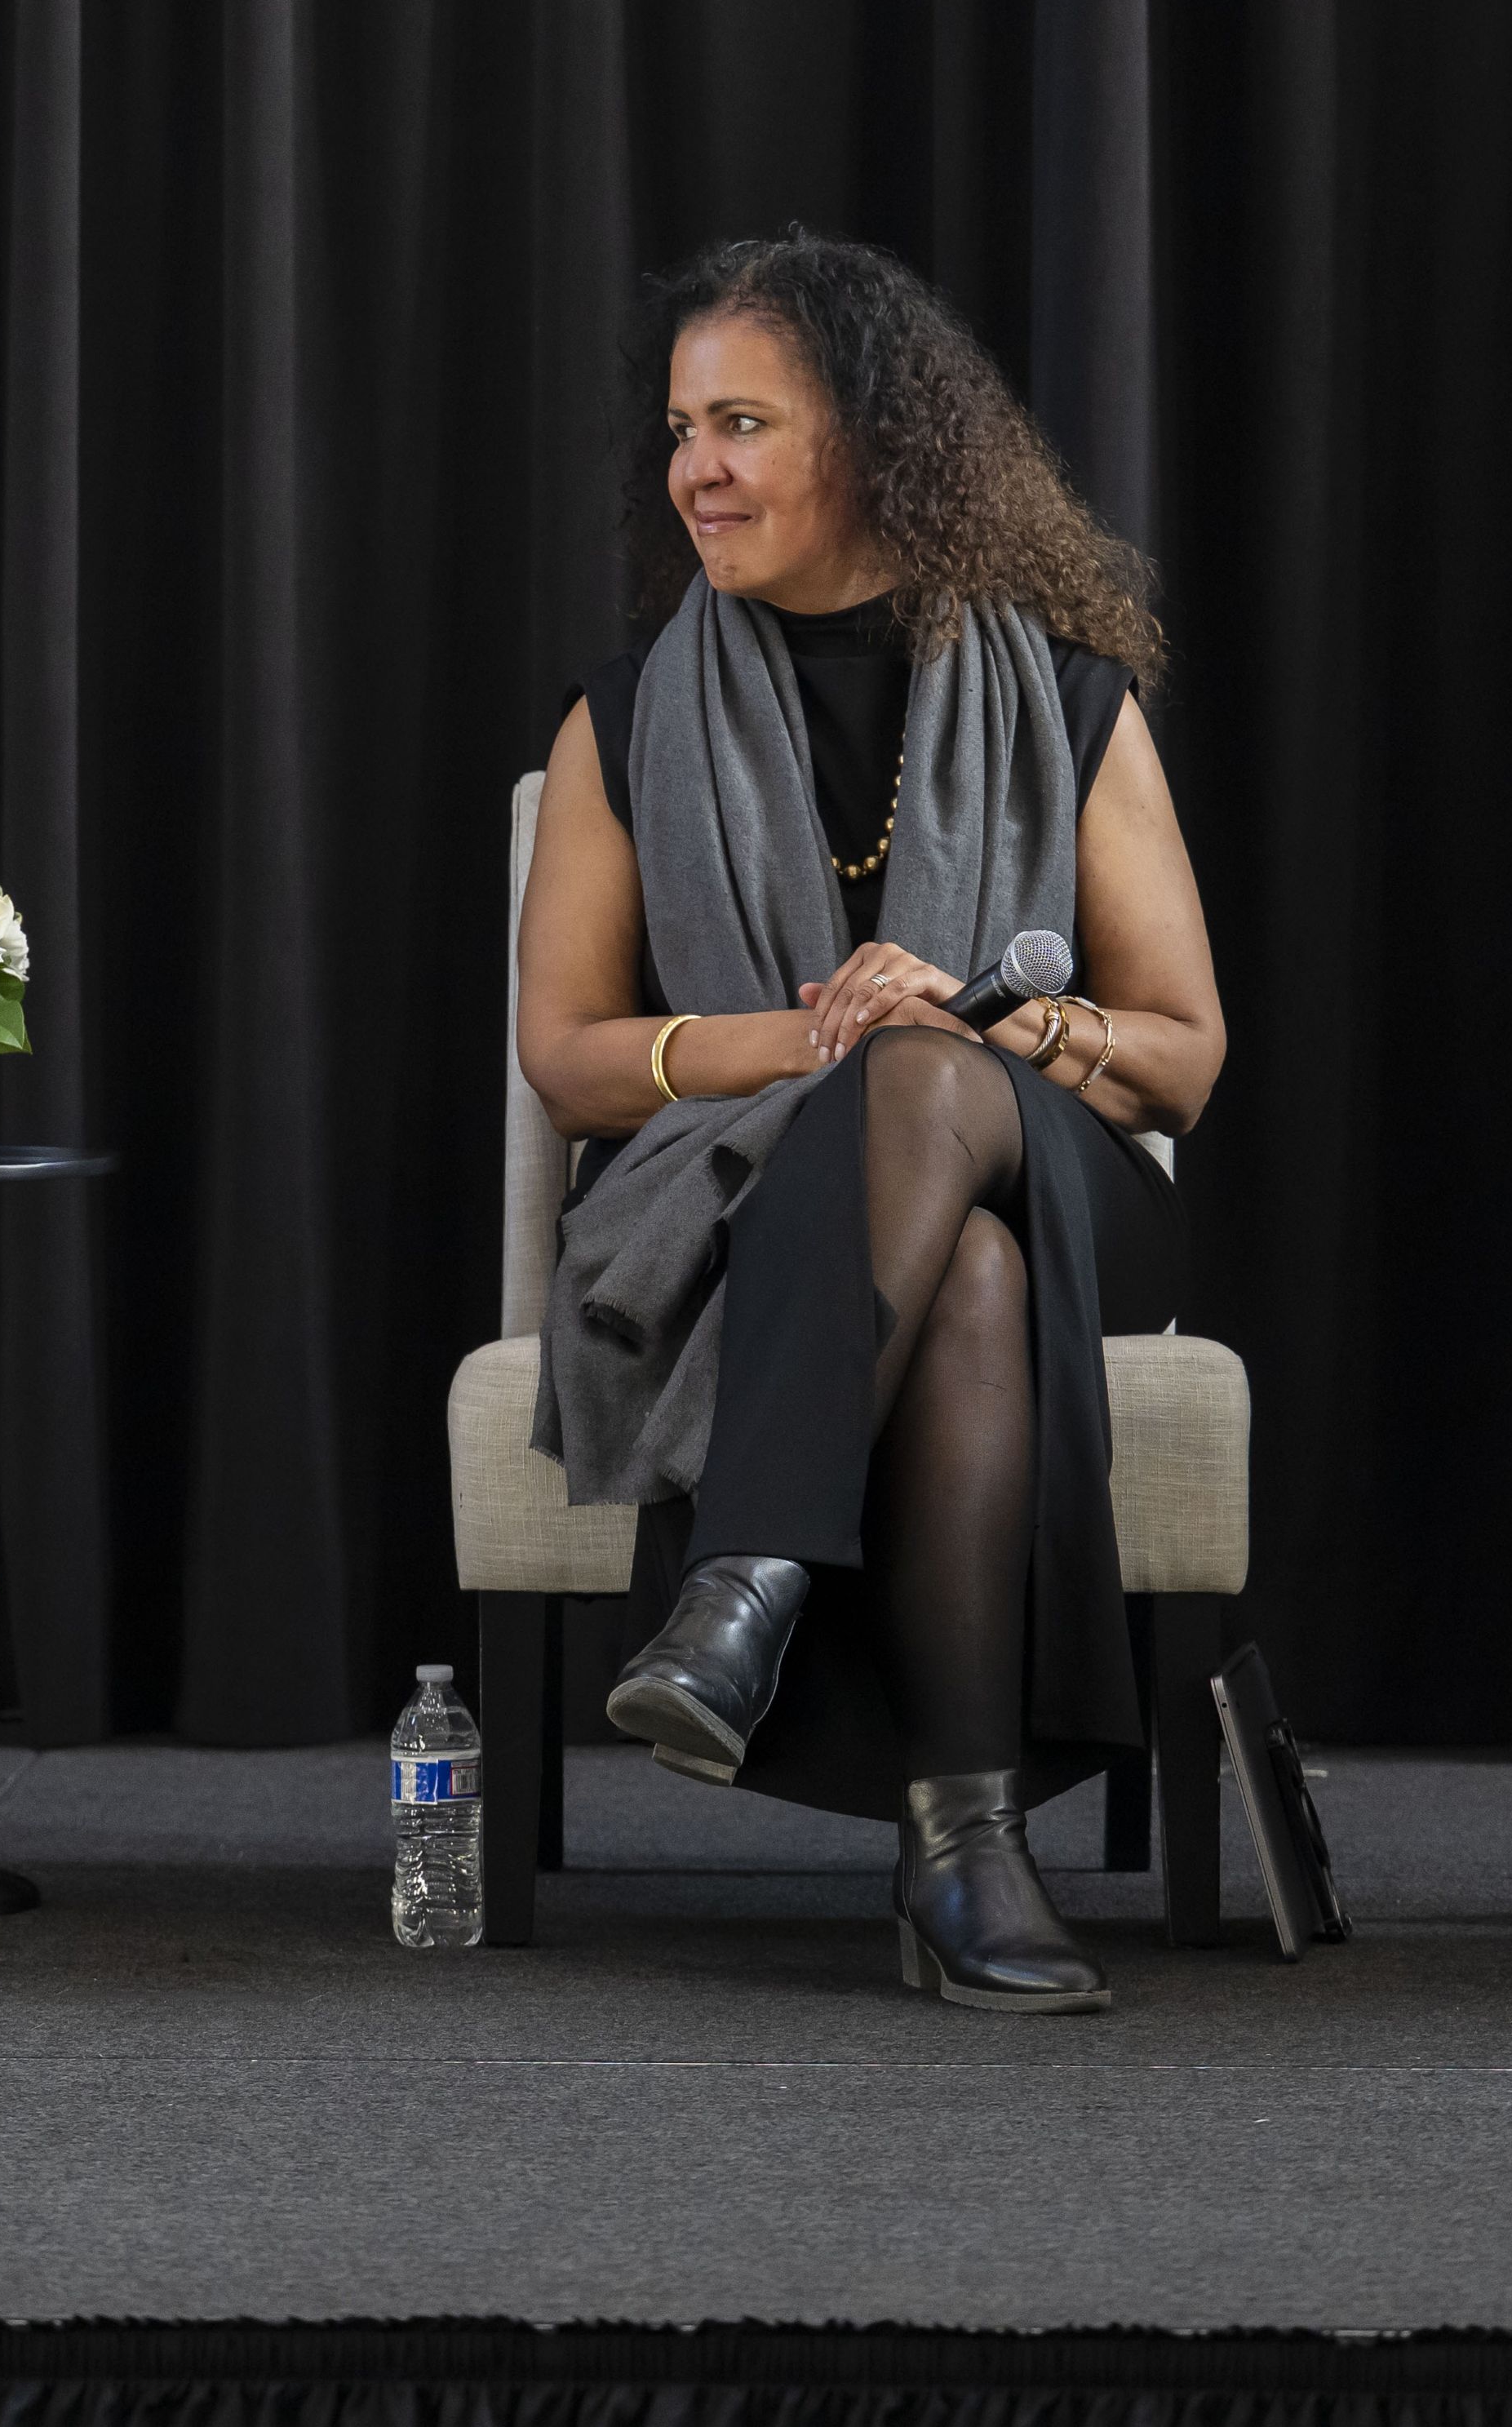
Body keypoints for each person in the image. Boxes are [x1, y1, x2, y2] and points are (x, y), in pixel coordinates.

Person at [516, 231, 1226, 2013]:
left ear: (878, 444)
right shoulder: (626, 719)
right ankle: (962, 1850)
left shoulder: (1065, 696)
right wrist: (808, 1038)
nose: (697, 468)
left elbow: (1184, 1054)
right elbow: (568, 1059)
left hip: (1067, 1162)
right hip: (747, 1189)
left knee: (933, 1083)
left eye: (742, 422)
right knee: (960, 1275)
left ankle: (744, 1579)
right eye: (682, 427)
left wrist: (988, 1024)